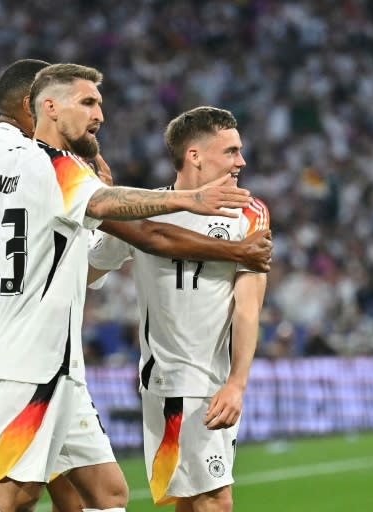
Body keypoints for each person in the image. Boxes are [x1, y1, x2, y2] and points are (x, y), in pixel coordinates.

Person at [0, 63, 252, 512]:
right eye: (87, 103)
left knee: (108, 494)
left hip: (40, 357)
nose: (98, 114)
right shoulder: (58, 169)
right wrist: (186, 199)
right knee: (10, 494)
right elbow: (117, 208)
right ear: (48, 107)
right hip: (36, 362)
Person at [88, 106, 269, 512]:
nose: (241, 160)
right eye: (231, 151)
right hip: (173, 380)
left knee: (191, 501)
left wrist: (237, 382)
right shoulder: (143, 209)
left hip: (214, 382)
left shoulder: (249, 212)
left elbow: (248, 306)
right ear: (195, 156)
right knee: (214, 501)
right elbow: (85, 270)